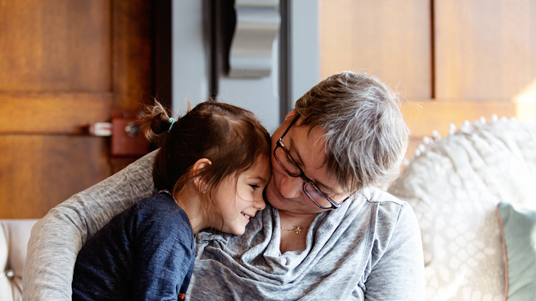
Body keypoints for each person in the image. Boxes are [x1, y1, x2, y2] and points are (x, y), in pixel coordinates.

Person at [23, 71, 425, 300]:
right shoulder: (224, 161)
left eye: (320, 192)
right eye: (291, 159)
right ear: (290, 117)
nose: (284, 190)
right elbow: (66, 222)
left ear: (354, 193)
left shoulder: (385, 227)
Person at [71, 100, 271, 300]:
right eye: (253, 186)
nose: (261, 203)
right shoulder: (168, 228)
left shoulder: (169, 220)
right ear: (203, 175)